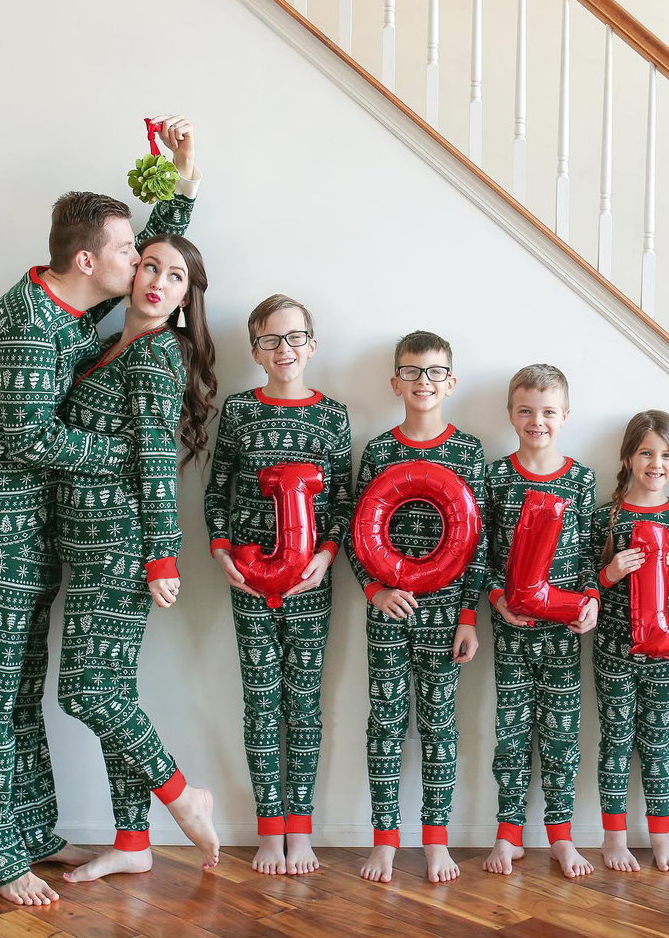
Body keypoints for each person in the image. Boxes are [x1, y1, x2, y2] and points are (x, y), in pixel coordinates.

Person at [0, 116, 198, 905]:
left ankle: (30, 831)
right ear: (89, 261)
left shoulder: (71, 306)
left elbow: (156, 257)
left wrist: (182, 184)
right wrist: (124, 459)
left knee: (21, 687)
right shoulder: (28, 327)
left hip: (34, 532)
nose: (140, 263)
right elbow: (27, 437)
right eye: (128, 253)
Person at [55, 234, 220, 881]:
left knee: (86, 691)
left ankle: (184, 797)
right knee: (112, 690)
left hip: (122, 548)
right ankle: (131, 842)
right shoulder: (109, 345)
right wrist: (179, 182)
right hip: (89, 543)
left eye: (175, 276)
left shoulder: (155, 358)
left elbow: (156, 462)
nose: (157, 279)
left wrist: (162, 557)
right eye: (148, 265)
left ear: (185, 299)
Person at [204, 295, 353, 876]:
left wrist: (327, 553)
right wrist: (220, 550)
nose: (283, 349)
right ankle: (270, 829)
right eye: (271, 340)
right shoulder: (239, 410)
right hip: (249, 581)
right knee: (262, 702)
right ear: (255, 350)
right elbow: (217, 489)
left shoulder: (332, 415)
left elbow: (343, 497)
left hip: (311, 584)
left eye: (294, 338)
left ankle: (301, 828)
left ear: (312, 345)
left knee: (305, 704)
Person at [345, 331, 486, 884]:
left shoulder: (467, 450)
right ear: (394, 382)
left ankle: (434, 841)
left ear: (449, 382)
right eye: (411, 371)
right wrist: (374, 591)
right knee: (385, 723)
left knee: (440, 727)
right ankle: (384, 840)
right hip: (388, 609)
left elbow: (478, 540)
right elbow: (360, 534)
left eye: (433, 372)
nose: (422, 381)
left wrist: (468, 617)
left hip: (447, 615)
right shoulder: (380, 450)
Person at [481, 365, 598, 880]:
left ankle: (561, 837)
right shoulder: (495, 476)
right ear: (510, 414)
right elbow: (480, 553)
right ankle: (508, 835)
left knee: (561, 736)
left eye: (548, 411)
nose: (537, 421)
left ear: (565, 416)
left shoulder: (581, 479)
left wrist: (591, 597)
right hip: (512, 631)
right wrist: (497, 596)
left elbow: (596, 551)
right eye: (526, 411)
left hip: (563, 636)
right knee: (511, 734)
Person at [591, 410, 669, 874]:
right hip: (613, 650)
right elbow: (587, 582)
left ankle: (661, 838)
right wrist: (612, 572)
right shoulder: (607, 517)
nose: (655, 463)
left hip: (665, 654)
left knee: (657, 743)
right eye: (645, 453)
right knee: (615, 741)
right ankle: (613, 840)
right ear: (628, 457)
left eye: (665, 455)